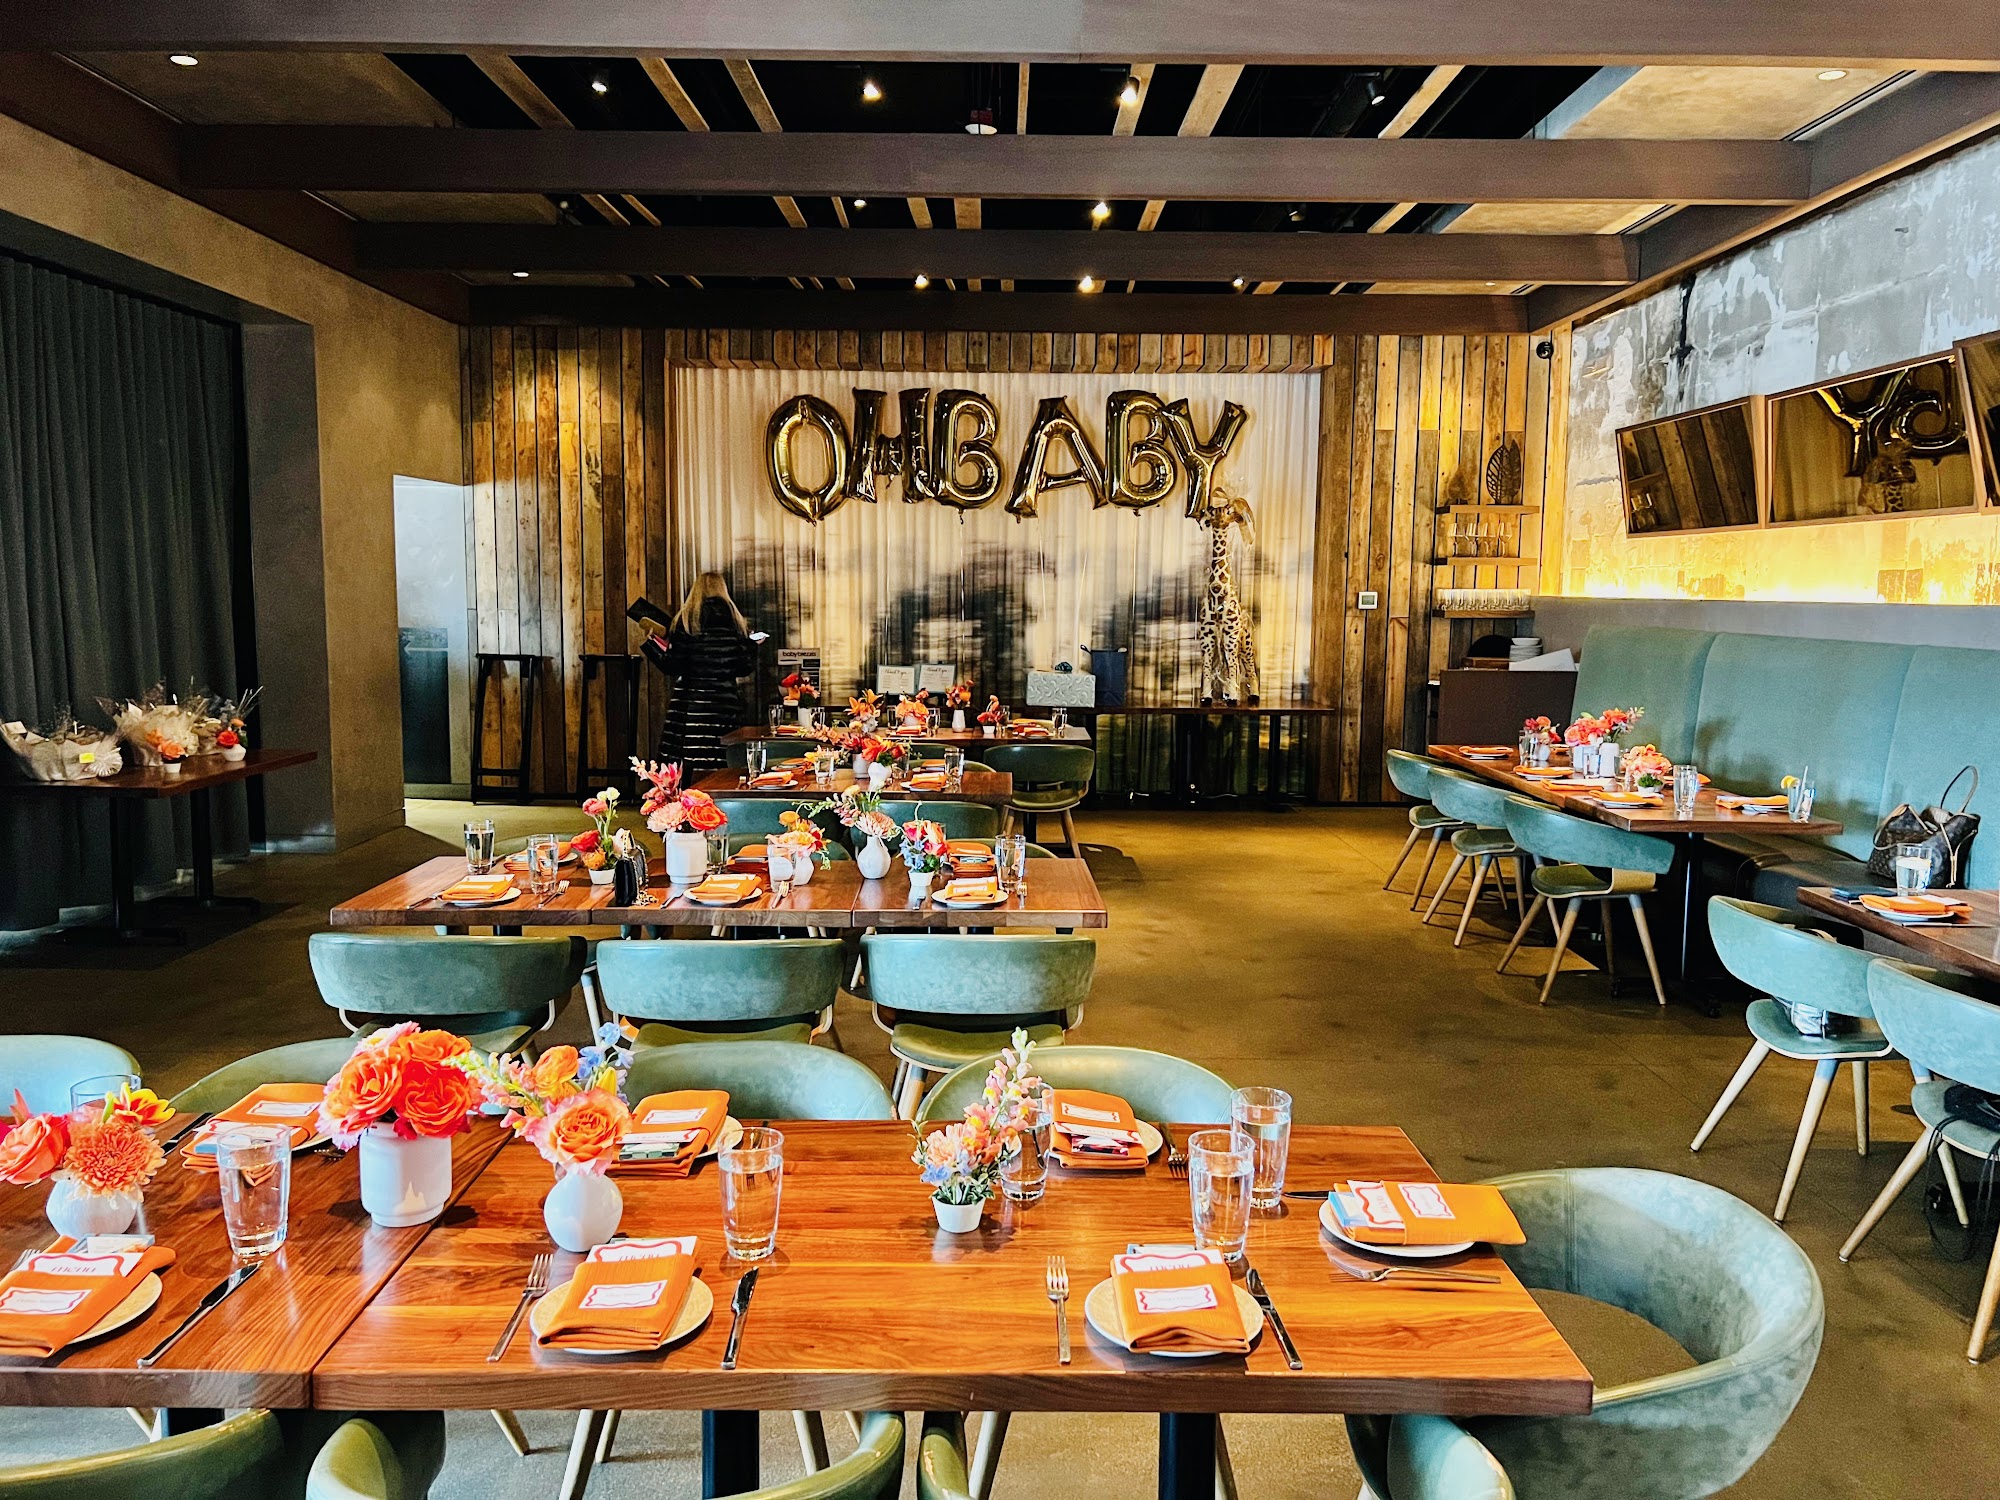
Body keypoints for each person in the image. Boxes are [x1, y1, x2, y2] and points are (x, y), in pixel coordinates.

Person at [637, 573, 767, 771]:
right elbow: (743, 668)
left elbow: (672, 666)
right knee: (722, 762)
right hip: (724, 706)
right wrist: (752, 646)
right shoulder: (735, 622)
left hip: (691, 707)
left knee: (690, 764)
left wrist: (652, 644)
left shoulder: (686, 622)